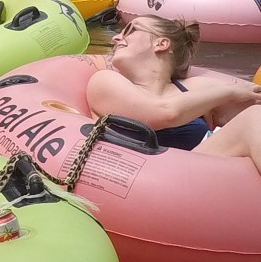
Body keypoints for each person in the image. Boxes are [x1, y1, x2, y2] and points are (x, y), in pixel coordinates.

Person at [87, 16, 261, 172]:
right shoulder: (104, 81)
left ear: (161, 44)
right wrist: (226, 92)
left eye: (130, 30)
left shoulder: (195, 87)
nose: (115, 38)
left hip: (202, 171)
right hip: (149, 178)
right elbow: (164, 113)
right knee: (254, 118)